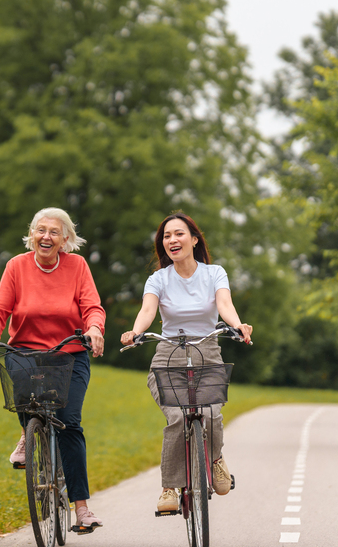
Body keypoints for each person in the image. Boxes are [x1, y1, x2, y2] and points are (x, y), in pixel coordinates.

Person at [0, 207, 107, 534]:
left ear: (65, 239)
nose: (46, 237)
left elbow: (92, 306)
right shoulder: (16, 266)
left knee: (69, 423)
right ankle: (28, 432)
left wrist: (94, 329)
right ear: (32, 234)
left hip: (70, 354)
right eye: (41, 230)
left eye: (54, 232)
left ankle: (82, 509)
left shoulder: (77, 266)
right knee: (27, 401)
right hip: (25, 353)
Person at [119, 212, 253, 514]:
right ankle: (170, 486)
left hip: (208, 352)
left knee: (211, 414)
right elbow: (147, 311)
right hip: (169, 355)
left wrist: (238, 325)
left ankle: (215, 459)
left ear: (194, 240)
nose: (172, 240)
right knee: (178, 418)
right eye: (166, 236)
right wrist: (135, 332)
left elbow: (224, 304)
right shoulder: (158, 279)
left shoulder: (214, 273)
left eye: (178, 234)